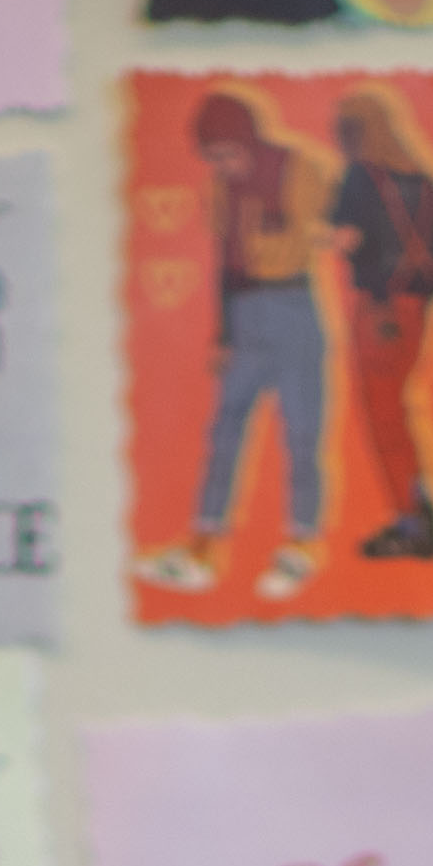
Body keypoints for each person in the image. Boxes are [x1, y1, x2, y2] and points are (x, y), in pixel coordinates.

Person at [141, 91, 340, 605]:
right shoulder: (220, 188)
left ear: (248, 138)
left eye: (227, 153)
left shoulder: (301, 167)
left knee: (302, 431)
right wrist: (223, 335)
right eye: (213, 157)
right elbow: (224, 262)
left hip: (293, 306)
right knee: (225, 428)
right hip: (246, 315)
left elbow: (326, 224)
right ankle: (204, 547)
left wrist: (313, 232)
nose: (222, 165)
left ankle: (301, 544)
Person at [327, 89, 433, 567]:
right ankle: (418, 510)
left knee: (384, 417)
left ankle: (412, 521)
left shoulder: (360, 177)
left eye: (345, 130)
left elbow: (344, 239)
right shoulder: (424, 181)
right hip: (414, 311)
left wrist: (327, 239)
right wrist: (432, 283)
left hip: (377, 310)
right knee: (398, 411)